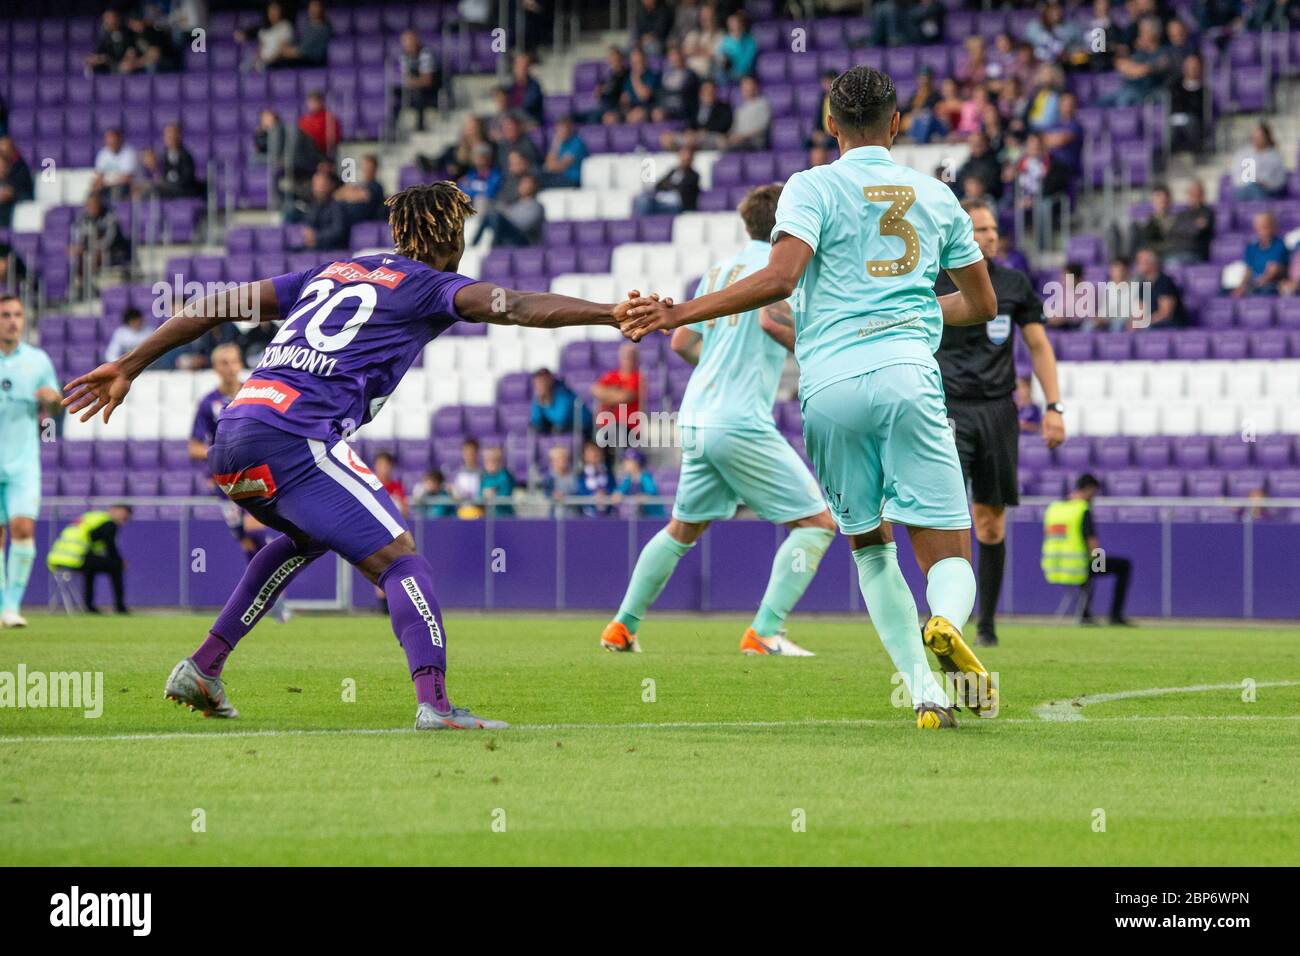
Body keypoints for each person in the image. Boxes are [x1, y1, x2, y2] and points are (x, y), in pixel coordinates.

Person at [62, 181, 633, 731]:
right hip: (295, 438)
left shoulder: (332, 271)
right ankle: (436, 704)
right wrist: (609, 312)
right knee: (403, 561)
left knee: (305, 541)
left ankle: (204, 667)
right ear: (448, 237)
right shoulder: (429, 284)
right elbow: (517, 305)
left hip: (234, 435)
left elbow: (218, 302)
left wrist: (129, 364)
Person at [620, 66, 1000, 728]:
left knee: (869, 545)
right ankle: (945, 619)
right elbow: (982, 303)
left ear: (830, 124)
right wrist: (909, 312)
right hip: (909, 375)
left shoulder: (811, 186)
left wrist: (681, 314)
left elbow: (780, 277)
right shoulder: (937, 197)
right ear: (897, 124)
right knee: (947, 547)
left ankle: (925, 693)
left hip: (829, 388)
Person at [603, 185, 838, 658]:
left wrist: (719, 365)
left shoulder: (718, 270)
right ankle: (765, 631)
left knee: (683, 529)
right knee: (818, 523)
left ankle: (621, 628)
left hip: (697, 416)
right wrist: (821, 354)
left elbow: (681, 343)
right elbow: (774, 324)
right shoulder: (780, 271)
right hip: (739, 420)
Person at [933, 199, 1065, 647]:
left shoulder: (1011, 283)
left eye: (992, 228)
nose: (990, 235)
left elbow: (1039, 347)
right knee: (945, 517)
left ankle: (985, 625)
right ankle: (944, 615)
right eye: (980, 229)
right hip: (945, 408)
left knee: (990, 520)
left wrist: (1054, 407)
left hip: (997, 411)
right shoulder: (932, 280)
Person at [188, 343, 285, 604]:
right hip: (224, 481)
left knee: (254, 529)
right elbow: (194, 446)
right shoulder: (208, 403)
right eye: (224, 363)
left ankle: (274, 589)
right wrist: (219, 453)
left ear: (241, 363)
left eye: (234, 361)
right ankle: (265, 593)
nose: (231, 368)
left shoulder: (256, 393)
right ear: (216, 368)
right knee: (245, 540)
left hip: (255, 472)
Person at [0, 295, 60, 628]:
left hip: (23, 462)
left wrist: (52, 402)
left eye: (17, 315)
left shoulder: (38, 361)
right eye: (5, 314)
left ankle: (11, 607)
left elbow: (55, 410)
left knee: (23, 527)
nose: (12, 320)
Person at [1041, 474, 1131, 626]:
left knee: (1090, 569)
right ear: (1089, 489)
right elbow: (1092, 542)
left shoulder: (1054, 508)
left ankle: (1086, 614)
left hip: (1054, 567)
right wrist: (1100, 564)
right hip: (1076, 567)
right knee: (1122, 565)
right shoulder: (1082, 509)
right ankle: (1114, 616)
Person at [46, 505, 133, 615]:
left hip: (57, 559)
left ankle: (88, 606)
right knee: (115, 567)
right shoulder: (109, 523)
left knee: (91, 568)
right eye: (123, 516)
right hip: (75, 558)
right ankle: (120, 607)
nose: (123, 520)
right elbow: (110, 546)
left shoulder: (91, 518)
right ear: (114, 510)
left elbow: (92, 539)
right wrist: (120, 561)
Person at [393, 29, 440, 132]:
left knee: (418, 92)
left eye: (409, 41)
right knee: (393, 92)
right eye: (404, 42)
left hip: (430, 90)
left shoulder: (426, 54)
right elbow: (406, 77)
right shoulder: (404, 56)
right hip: (413, 87)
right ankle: (392, 129)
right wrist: (411, 82)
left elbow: (428, 80)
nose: (407, 45)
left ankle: (420, 125)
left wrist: (414, 82)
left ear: (416, 41)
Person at [1234, 211, 1290, 298]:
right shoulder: (1251, 247)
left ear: (1274, 227)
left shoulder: (1280, 246)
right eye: (1260, 227)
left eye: (1266, 226)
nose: (1262, 230)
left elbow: (1272, 272)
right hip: (1254, 285)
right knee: (1224, 293)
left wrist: (1253, 285)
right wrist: (1242, 286)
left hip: (1270, 286)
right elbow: (1248, 270)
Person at [633, 147, 700, 216]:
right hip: (663, 200)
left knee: (646, 203)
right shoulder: (673, 171)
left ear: (692, 159)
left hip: (676, 205)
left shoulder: (694, 175)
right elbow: (659, 185)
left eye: (687, 157)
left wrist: (668, 186)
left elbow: (682, 189)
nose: (684, 159)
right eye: (683, 156)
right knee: (640, 198)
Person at [530, 367, 593, 435]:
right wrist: (540, 402)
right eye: (537, 383)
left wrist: (545, 405)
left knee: (557, 429)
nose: (540, 385)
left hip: (584, 427)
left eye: (542, 381)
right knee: (535, 428)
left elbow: (561, 418)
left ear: (550, 380)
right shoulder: (538, 397)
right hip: (564, 426)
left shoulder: (563, 393)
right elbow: (536, 420)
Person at [540, 116, 587, 189]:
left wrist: (551, 166)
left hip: (573, 180)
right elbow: (547, 164)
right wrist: (555, 144)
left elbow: (560, 166)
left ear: (570, 128)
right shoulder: (558, 142)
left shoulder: (577, 143)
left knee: (537, 182)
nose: (559, 132)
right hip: (559, 177)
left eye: (562, 128)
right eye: (558, 129)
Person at [93, 128, 139, 198]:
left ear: (119, 139)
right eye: (108, 139)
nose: (110, 142)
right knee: (93, 193)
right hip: (107, 185)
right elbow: (99, 176)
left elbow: (126, 178)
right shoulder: (102, 153)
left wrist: (107, 183)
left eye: (113, 139)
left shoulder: (129, 152)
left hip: (126, 186)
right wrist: (96, 186)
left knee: (117, 191)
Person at [479, 446, 515, 516]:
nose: (489, 464)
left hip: (504, 516)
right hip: (488, 516)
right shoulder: (484, 477)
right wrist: (483, 495)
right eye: (486, 461)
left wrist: (493, 495)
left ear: (499, 461)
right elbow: (479, 494)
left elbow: (505, 495)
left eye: (492, 460)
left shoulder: (505, 476)